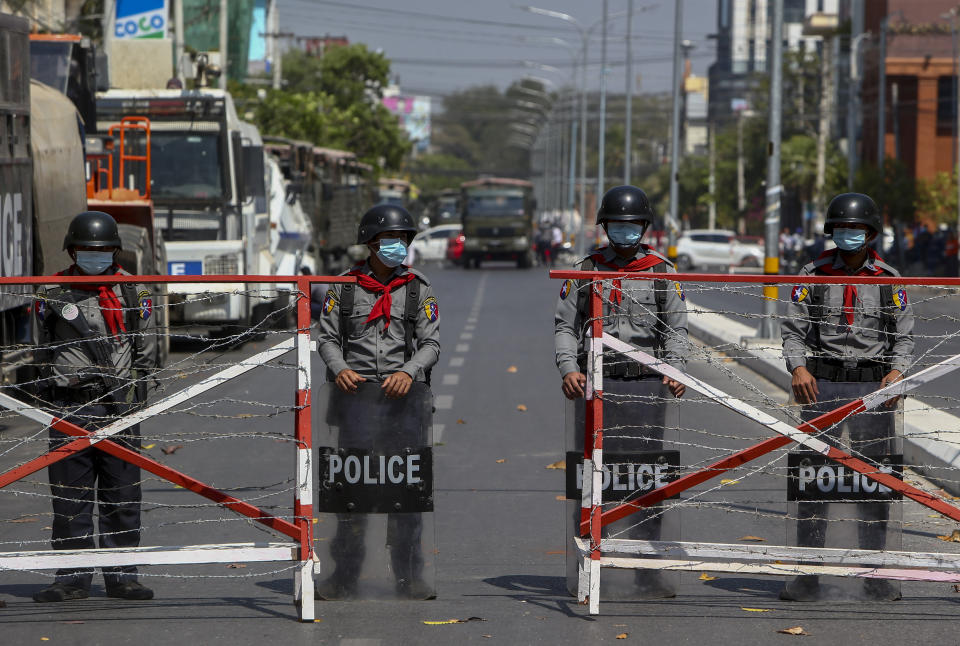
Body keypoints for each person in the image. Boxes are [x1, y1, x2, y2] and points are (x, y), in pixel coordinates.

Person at [554, 185, 688, 599]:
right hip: (598, 386)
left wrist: (676, 368)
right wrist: (568, 367)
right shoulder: (586, 269)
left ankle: (646, 570)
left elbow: (677, 330)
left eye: (632, 225)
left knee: (647, 478)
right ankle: (588, 564)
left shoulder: (662, 272)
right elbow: (564, 326)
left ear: (644, 227)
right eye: (617, 224)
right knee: (593, 478)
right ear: (605, 227)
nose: (624, 231)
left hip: (647, 387)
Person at [781, 193, 914, 602]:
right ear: (831, 232)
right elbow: (793, 329)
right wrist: (798, 367)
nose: (848, 234)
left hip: (873, 389)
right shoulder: (814, 273)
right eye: (842, 228)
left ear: (871, 233)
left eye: (856, 229)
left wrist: (896, 373)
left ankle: (874, 573)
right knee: (815, 480)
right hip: (822, 384)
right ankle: (808, 574)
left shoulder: (889, 278)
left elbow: (904, 336)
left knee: (875, 483)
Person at [315, 204, 440, 600]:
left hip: (404, 403)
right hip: (355, 402)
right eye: (390, 240)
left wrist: (408, 371)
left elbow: (432, 343)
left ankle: (409, 576)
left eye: (403, 239)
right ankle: (344, 576)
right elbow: (326, 338)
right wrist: (338, 369)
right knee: (351, 493)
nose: (398, 246)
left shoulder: (419, 288)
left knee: (405, 493)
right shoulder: (343, 288)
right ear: (371, 243)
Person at [32, 211, 157, 602]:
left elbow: (146, 350)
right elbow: (43, 346)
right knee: (71, 496)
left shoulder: (134, 292)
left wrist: (133, 401)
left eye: (102, 250)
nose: (94, 255)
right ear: (72, 250)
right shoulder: (51, 291)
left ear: (115, 251)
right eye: (86, 249)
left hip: (119, 408)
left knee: (122, 495)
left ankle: (123, 576)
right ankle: (72, 577)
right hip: (70, 407)